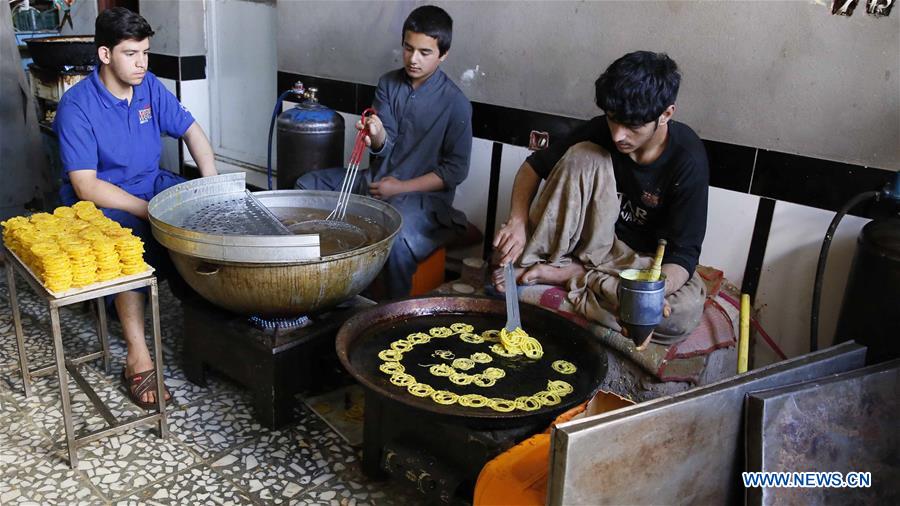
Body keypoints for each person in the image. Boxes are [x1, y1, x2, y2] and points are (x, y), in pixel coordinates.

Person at [54, 7, 218, 408]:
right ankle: (137, 356)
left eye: (145, 52)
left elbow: (191, 130)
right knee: (129, 247)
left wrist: (213, 186)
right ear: (106, 55)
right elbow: (85, 183)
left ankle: (210, 326)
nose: (142, 62)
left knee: (203, 220)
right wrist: (149, 212)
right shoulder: (77, 106)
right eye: (131, 53)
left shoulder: (149, 87)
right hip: (100, 199)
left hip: (151, 182)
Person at [492, 51, 709, 348]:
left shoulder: (688, 160)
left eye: (633, 126)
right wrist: (517, 220)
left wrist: (651, 295)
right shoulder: (601, 131)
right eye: (612, 119)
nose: (618, 135)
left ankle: (574, 276)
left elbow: (683, 255)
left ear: (666, 114)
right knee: (583, 155)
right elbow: (534, 167)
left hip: (637, 263)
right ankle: (576, 272)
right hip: (592, 247)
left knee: (679, 315)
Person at [296, 5, 472, 298]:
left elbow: (455, 171)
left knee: (398, 237)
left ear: (443, 54)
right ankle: (321, 287)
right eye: (408, 48)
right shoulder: (389, 83)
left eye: (425, 53)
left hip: (421, 200)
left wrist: (401, 186)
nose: (413, 59)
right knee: (305, 186)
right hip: (374, 182)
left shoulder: (456, 104)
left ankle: (392, 314)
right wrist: (375, 135)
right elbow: (383, 146)